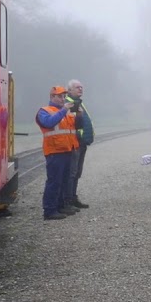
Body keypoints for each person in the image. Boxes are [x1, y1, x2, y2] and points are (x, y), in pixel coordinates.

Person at [36, 86, 80, 221]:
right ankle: (49, 211)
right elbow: (49, 123)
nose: (62, 99)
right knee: (54, 181)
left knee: (64, 181)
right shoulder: (44, 111)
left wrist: (80, 114)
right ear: (52, 97)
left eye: (63, 96)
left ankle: (60, 206)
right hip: (54, 152)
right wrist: (64, 110)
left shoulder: (65, 112)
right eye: (59, 96)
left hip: (67, 150)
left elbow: (77, 126)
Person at [65, 78, 93, 209]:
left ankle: (73, 197)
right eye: (77, 87)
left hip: (81, 143)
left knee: (77, 172)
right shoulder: (69, 104)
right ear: (69, 90)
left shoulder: (79, 103)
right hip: (74, 143)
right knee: (72, 172)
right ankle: (68, 200)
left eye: (81, 87)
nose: (80, 89)